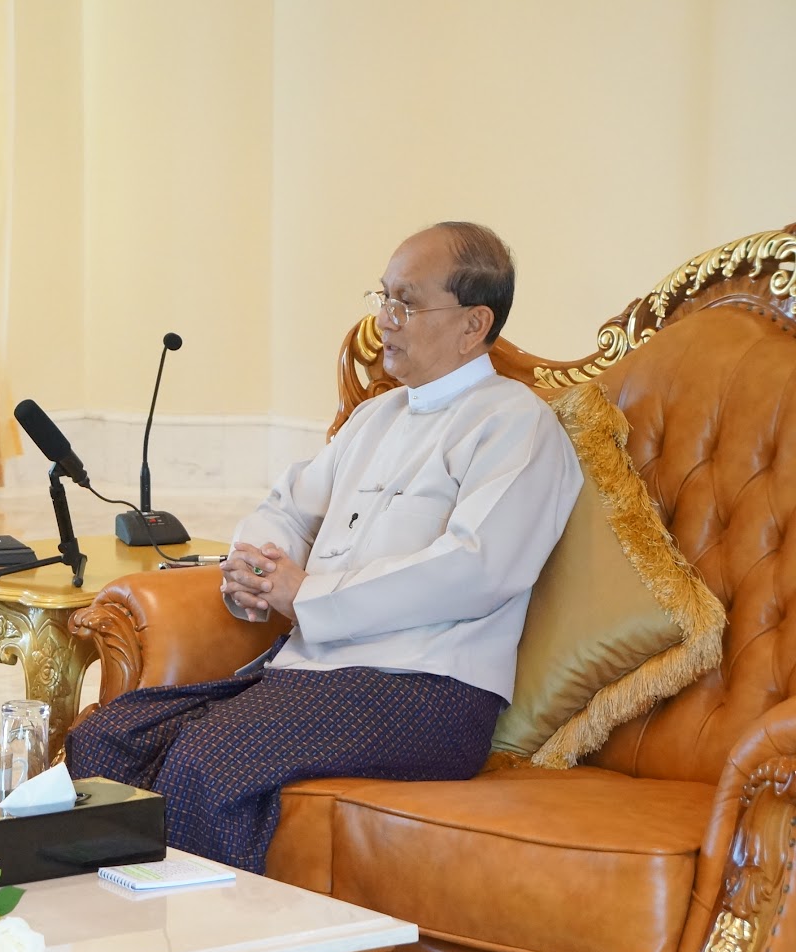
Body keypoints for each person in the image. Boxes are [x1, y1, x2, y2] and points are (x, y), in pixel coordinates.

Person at [67, 222, 581, 874]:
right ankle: (110, 950)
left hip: (426, 692)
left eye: (407, 303)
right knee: (108, 739)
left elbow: (475, 570)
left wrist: (306, 592)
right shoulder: (377, 416)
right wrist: (256, 567)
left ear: (473, 324)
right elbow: (287, 508)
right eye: (382, 297)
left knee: (206, 763)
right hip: (310, 676)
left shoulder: (516, 423)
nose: (384, 321)